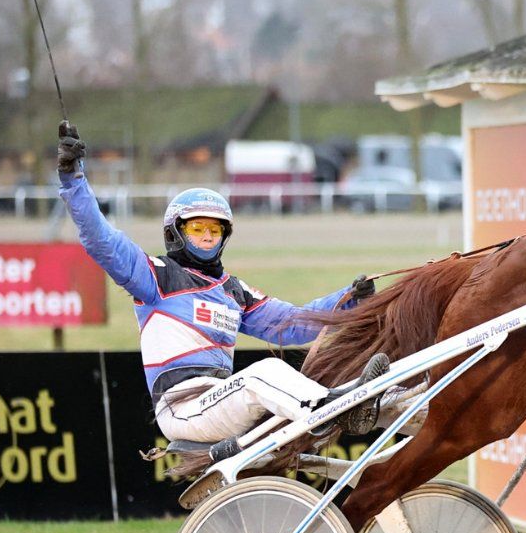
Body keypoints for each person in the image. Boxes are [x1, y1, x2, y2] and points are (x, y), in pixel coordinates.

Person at [55, 121, 391, 446]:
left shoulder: (234, 291)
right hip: (183, 409)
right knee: (267, 371)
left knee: (278, 372)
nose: (206, 238)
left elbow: (293, 325)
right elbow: (102, 241)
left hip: (224, 401)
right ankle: (337, 411)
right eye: (197, 229)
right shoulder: (155, 276)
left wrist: (348, 301)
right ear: (176, 232)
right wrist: (73, 179)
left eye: (214, 231)